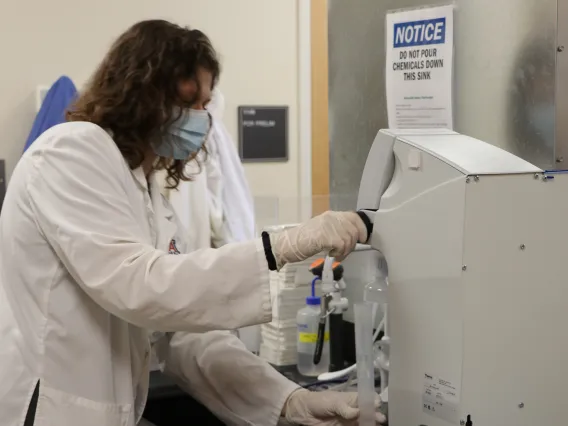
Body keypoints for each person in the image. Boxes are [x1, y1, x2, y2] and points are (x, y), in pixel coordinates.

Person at [0, 20, 385, 426]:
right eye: (190, 101)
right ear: (141, 92)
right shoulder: (71, 151)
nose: (202, 118)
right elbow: (142, 286)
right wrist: (282, 245)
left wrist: (288, 400)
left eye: (206, 103)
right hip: (50, 413)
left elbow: (183, 336)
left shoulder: (148, 196)